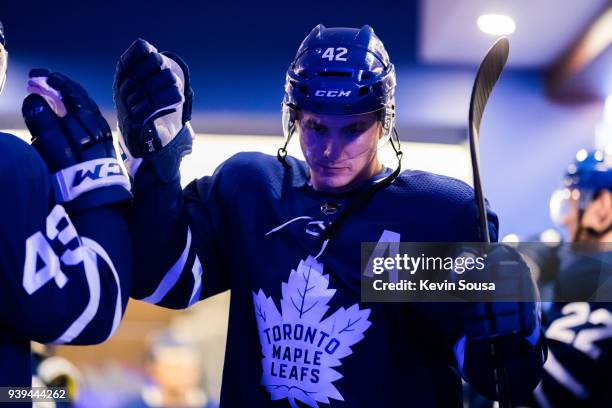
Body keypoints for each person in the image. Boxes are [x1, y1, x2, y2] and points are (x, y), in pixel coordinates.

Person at [114, 25, 545, 407]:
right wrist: (155, 166)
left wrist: (517, 329)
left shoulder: (436, 213)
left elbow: (503, 379)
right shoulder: (253, 190)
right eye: (317, 127)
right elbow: (160, 280)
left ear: (384, 122)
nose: (331, 150)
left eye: (353, 129)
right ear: (294, 118)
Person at [0, 19, 133, 387]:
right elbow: (93, 306)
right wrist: (96, 179)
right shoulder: (7, 164)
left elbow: (10, 392)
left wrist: (44, 397)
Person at [530, 149, 612, 407]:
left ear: (602, 207)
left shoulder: (598, 278)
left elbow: (548, 389)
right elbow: (542, 250)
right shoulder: (581, 265)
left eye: (574, 203)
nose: (566, 218)